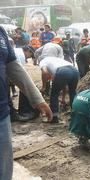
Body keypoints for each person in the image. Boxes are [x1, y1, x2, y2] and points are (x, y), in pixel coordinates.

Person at [0, 25, 52, 180]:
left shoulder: (1, 32)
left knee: (3, 168)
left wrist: (38, 100)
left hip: (1, 115)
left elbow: (13, 67)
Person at [39, 57, 79, 123]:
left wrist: (44, 87)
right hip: (75, 70)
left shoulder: (43, 61)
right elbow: (65, 86)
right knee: (72, 92)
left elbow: (45, 72)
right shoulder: (55, 61)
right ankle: (75, 115)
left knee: (54, 94)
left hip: (63, 71)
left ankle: (54, 117)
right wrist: (63, 99)